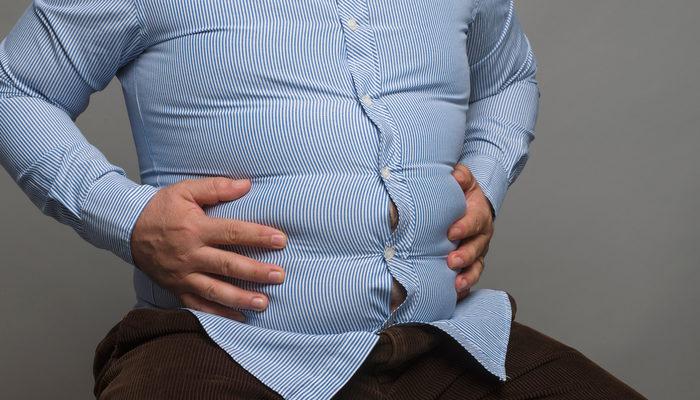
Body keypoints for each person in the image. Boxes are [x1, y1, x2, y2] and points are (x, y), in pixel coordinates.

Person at [0, 0, 646, 398]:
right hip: (221, 348)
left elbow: (509, 76)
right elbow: (15, 88)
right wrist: (130, 218)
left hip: (447, 342)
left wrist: (487, 177)